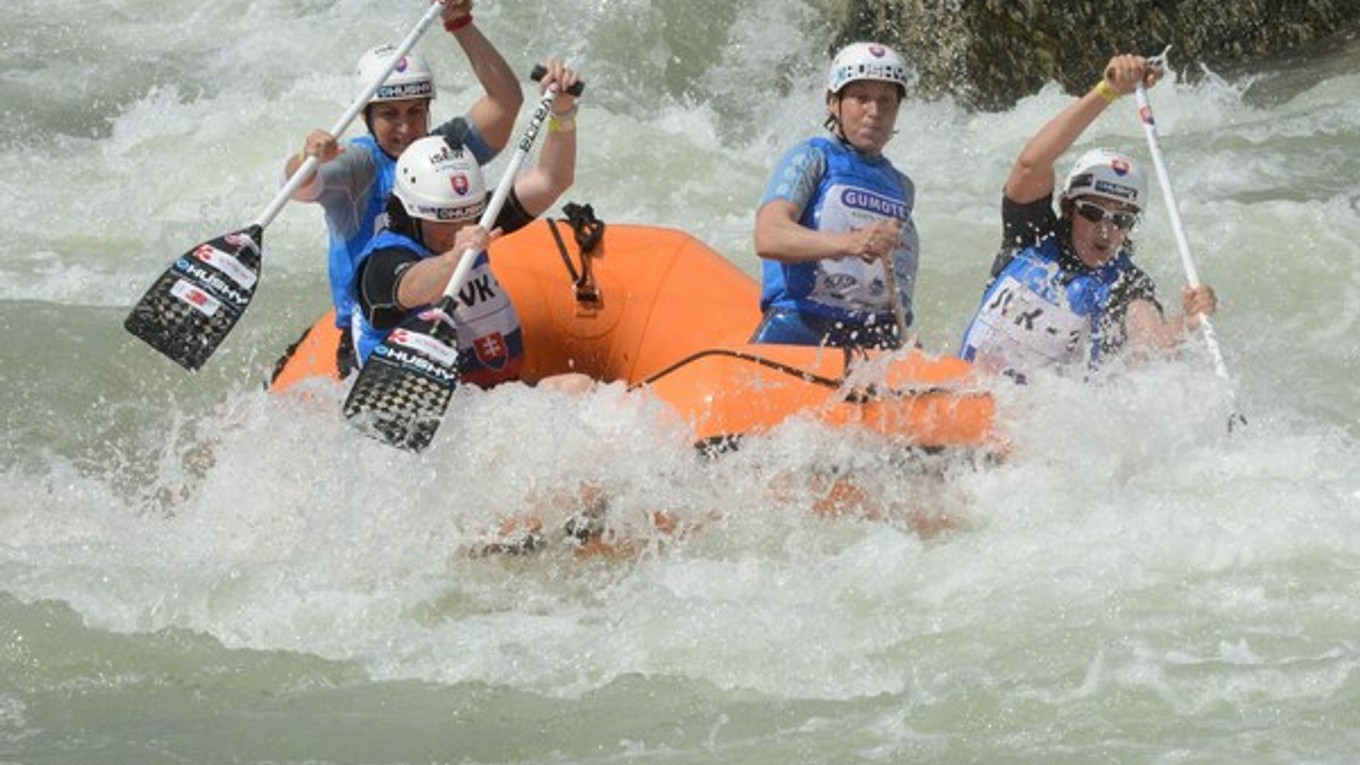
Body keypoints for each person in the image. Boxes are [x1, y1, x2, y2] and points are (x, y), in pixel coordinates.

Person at [279, 0, 522, 376]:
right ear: (367, 116)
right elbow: (299, 187)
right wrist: (307, 156)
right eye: (390, 114)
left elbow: (506, 103)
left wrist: (461, 23)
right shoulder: (357, 164)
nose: (406, 128)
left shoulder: (444, 152)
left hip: (450, 320)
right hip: (378, 326)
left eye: (415, 112)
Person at [958, 53, 1218, 382]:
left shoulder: (1125, 284)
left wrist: (1190, 321)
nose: (1106, 229)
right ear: (1069, 208)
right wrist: (1107, 92)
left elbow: (1153, 344)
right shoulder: (1032, 236)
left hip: (1038, 419)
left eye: (1121, 220)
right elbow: (1031, 163)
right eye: (1093, 213)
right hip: (968, 395)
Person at [351, 59, 590, 393]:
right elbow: (412, 287)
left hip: (496, 395)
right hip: (422, 409)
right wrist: (455, 257)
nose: (459, 225)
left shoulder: (472, 220)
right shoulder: (382, 260)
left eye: (467, 212)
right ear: (414, 212)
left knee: (581, 387)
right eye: (446, 218)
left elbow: (551, 179)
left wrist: (563, 113)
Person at [750, 41, 921, 351]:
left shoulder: (902, 186)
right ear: (834, 102)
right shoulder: (811, 158)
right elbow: (768, 235)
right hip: (800, 326)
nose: (875, 112)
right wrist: (850, 243)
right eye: (860, 98)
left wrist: (905, 339)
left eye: (887, 101)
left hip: (877, 336)